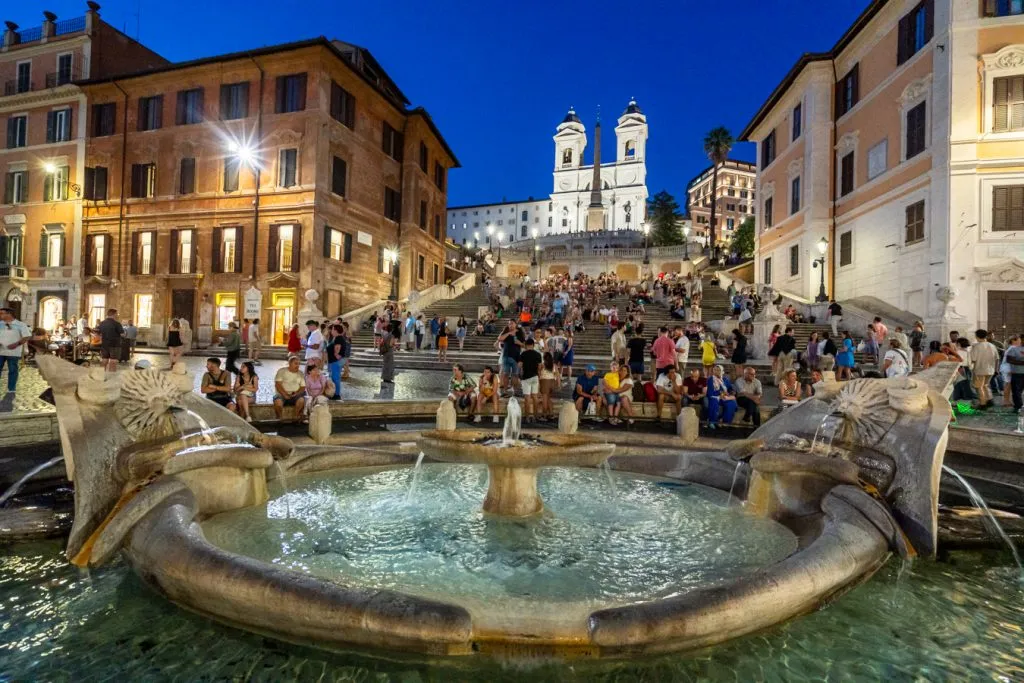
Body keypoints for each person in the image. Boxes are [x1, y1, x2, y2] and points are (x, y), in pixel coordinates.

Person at [0, 307, 31, 395]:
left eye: (2, 313)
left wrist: (16, 344)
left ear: (9, 314)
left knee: (13, 370)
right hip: (0, 351)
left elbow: (26, 336)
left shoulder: (21, 325)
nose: (0, 315)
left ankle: (11, 388)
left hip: (13, 352)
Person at [970, 329, 999, 410]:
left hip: (980, 369)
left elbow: (973, 359)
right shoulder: (992, 345)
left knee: (979, 387)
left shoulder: (976, 346)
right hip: (991, 369)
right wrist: (996, 369)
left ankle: (982, 404)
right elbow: (997, 358)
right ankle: (989, 399)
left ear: (977, 336)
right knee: (985, 385)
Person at [273, 355, 307, 421]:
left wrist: (296, 393)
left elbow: (303, 387)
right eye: (296, 363)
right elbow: (278, 385)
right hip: (282, 394)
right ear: (290, 363)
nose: (298, 365)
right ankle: (280, 418)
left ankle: (296, 417)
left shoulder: (300, 373)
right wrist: (284, 394)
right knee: (278, 402)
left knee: (301, 400)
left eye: (299, 364)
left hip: (295, 395)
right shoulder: (282, 371)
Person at [519, 338, 543, 423]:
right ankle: (535, 416)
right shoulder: (538, 354)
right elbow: (540, 367)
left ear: (526, 345)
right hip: (535, 377)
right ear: (533, 345)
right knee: (535, 397)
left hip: (526, 378)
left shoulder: (523, 354)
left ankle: (527, 417)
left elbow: (520, 366)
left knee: (527, 398)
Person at [498, 321, 524, 395]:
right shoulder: (506, 332)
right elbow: (500, 339)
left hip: (516, 357)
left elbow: (524, 344)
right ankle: (505, 391)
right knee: (506, 374)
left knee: (515, 374)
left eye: (512, 323)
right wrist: (509, 333)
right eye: (509, 324)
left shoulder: (519, 333)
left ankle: (515, 391)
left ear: (515, 324)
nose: (510, 325)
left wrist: (519, 343)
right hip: (506, 356)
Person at [96, 308, 124, 373]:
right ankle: (112, 378)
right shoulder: (117, 324)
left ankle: (101, 375)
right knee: (113, 362)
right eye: (117, 314)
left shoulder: (102, 323)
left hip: (104, 345)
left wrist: (102, 338)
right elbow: (122, 334)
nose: (118, 315)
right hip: (115, 345)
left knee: (104, 360)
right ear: (114, 314)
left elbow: (97, 334)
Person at [325, 324, 345, 399]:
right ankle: (335, 393)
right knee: (335, 377)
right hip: (334, 361)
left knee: (335, 378)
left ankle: (336, 394)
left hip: (335, 361)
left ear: (336, 330)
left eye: (333, 329)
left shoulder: (338, 338)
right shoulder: (337, 338)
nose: (331, 331)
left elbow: (337, 348)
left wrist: (336, 355)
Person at [601, 360, 623, 425]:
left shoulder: (618, 374)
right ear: (610, 367)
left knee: (619, 404)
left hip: (616, 392)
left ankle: (615, 417)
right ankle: (611, 418)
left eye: (616, 367)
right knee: (611, 403)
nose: (614, 369)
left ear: (618, 368)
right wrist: (607, 389)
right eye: (613, 367)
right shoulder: (608, 374)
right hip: (609, 391)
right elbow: (604, 382)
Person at [538, 352, 558, 421]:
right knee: (548, 398)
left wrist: (538, 385)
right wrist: (558, 384)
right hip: (552, 382)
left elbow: (539, 375)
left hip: (544, 382)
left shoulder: (542, 365)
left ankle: (544, 415)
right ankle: (551, 414)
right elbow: (557, 375)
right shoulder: (554, 365)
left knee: (544, 400)